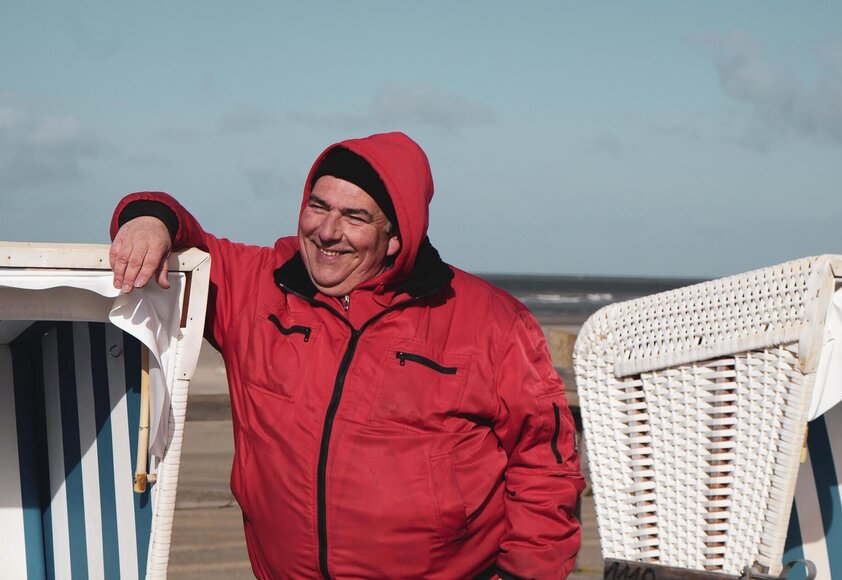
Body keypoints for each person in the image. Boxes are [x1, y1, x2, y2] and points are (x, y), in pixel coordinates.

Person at [109, 131, 585, 579]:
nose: (326, 231)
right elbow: (179, 228)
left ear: (396, 236)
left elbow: (547, 467)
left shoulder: (493, 322)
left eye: (354, 217)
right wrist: (149, 221)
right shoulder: (258, 288)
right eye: (318, 206)